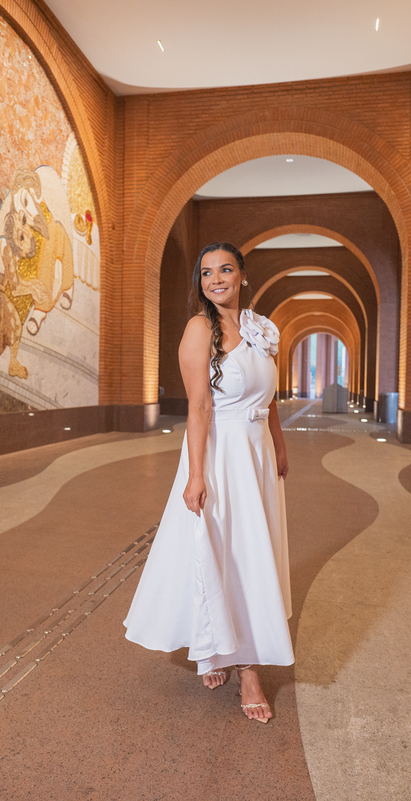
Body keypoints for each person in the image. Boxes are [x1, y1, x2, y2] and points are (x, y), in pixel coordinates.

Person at [124, 242, 292, 724]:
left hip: (256, 456)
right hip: (219, 456)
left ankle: (221, 652)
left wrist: (278, 444)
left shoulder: (259, 329)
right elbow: (199, 407)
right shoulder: (200, 330)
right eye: (206, 273)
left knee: (251, 554)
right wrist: (197, 474)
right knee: (222, 552)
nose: (215, 279)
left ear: (242, 275)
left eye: (225, 270)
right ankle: (245, 671)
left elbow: (270, 395)